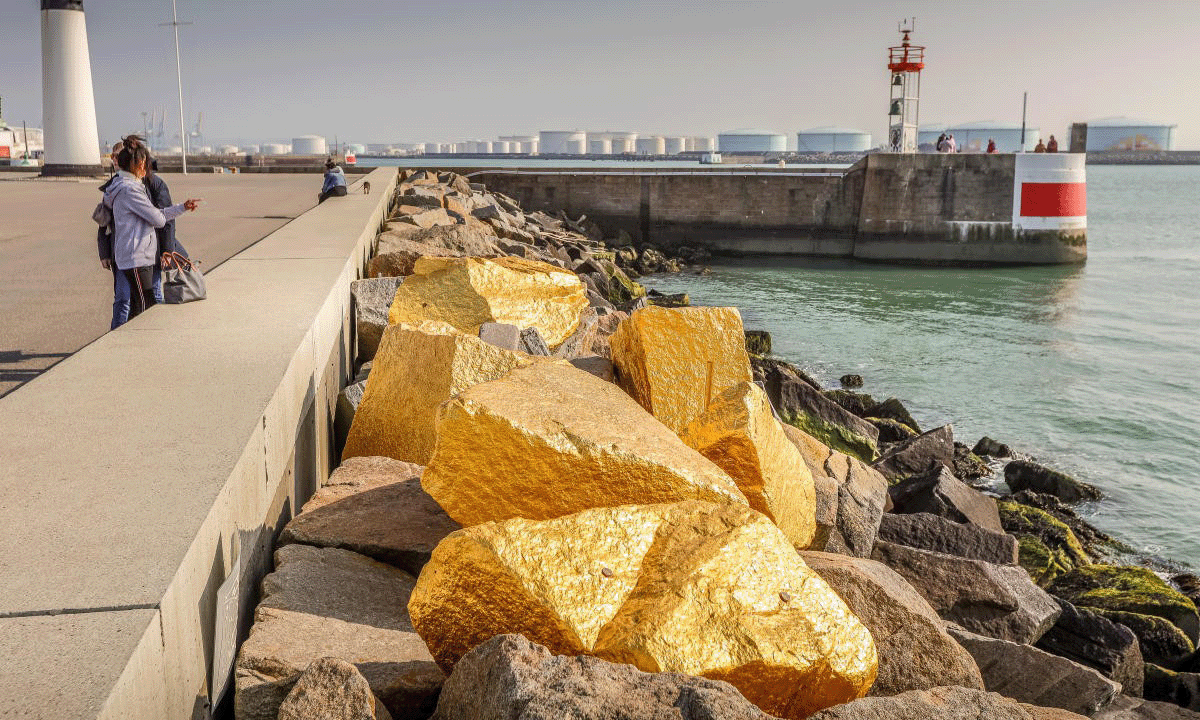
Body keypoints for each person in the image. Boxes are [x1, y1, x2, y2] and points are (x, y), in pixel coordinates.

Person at [103, 136, 201, 323]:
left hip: (132, 255)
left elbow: (155, 214)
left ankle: (126, 343)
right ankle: (133, 345)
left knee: (137, 306)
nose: (147, 167)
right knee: (145, 307)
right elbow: (157, 218)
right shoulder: (130, 190)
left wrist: (182, 207)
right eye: (145, 162)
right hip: (137, 257)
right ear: (138, 163)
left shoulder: (121, 186)